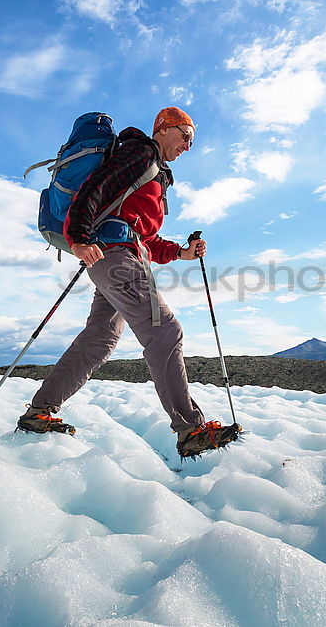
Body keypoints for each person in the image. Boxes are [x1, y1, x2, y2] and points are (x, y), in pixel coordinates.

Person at [16, 107, 241, 458]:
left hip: (121, 256)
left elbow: (143, 237)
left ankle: (39, 411)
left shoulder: (154, 173)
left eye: (192, 141)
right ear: (164, 129)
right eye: (185, 136)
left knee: (100, 338)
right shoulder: (140, 152)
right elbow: (95, 186)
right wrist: (77, 238)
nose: (188, 146)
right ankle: (189, 428)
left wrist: (182, 253)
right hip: (115, 258)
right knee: (164, 331)